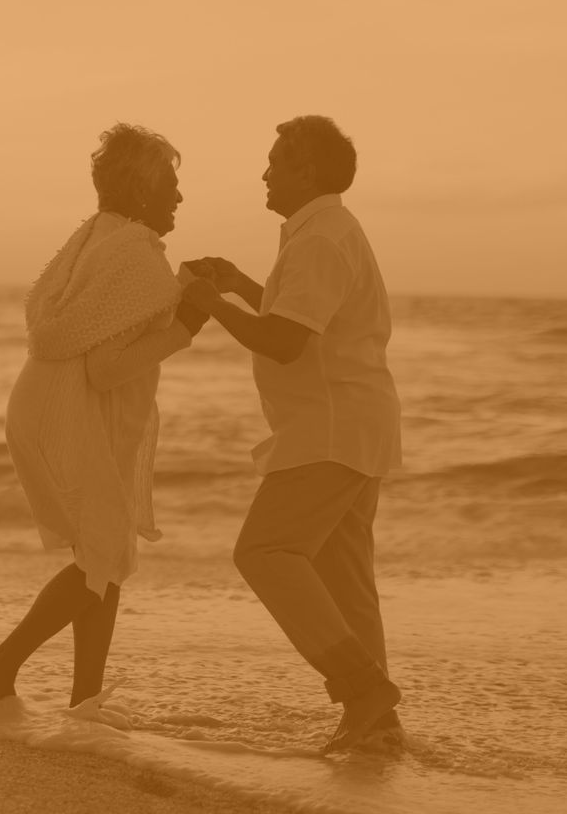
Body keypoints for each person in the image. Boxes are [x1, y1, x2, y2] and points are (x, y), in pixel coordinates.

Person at [182, 115, 403, 754]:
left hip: (328, 431)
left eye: (276, 161)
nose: (265, 173)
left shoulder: (319, 241)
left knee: (265, 552)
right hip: (352, 427)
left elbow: (283, 342)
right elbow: (302, 319)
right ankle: (377, 724)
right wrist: (237, 284)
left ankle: (364, 689)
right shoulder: (326, 232)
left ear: (307, 171)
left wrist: (209, 303)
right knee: (345, 580)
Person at [0, 123, 206, 712]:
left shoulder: (97, 240)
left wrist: (180, 295)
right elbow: (106, 368)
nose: (179, 197)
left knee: (104, 556)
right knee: (103, 555)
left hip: (42, 407)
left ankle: (86, 701)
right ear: (143, 189)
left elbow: (97, 329)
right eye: (171, 184)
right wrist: (187, 324)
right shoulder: (138, 257)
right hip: (67, 416)